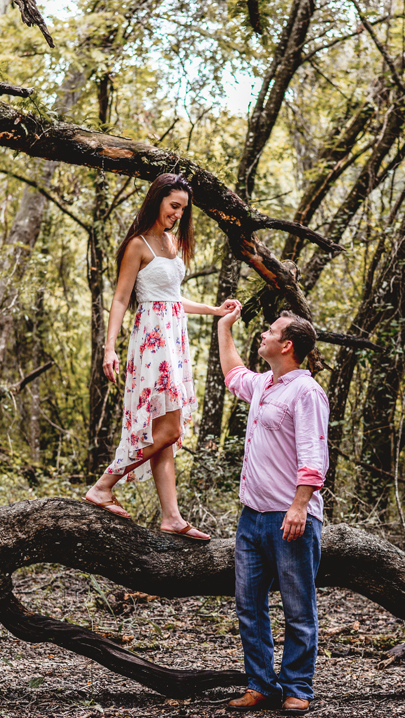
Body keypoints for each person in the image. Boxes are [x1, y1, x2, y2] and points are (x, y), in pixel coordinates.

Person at [83, 173, 236, 541]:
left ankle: (171, 517)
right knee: (169, 429)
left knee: (165, 432)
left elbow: (172, 298)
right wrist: (109, 348)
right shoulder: (138, 244)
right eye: (173, 206)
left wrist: (215, 310)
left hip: (173, 337)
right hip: (152, 342)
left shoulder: (171, 242)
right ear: (157, 200)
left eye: (183, 209)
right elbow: (122, 298)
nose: (178, 215)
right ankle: (103, 486)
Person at [216, 306, 330, 715]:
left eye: (270, 331)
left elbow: (314, 456)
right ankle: (261, 684)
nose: (262, 334)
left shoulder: (307, 392)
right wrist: (222, 325)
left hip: (290, 517)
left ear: (287, 345)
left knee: (298, 608)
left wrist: (300, 507)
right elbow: (232, 373)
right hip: (251, 517)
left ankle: (298, 687)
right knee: (249, 606)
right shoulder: (265, 384)